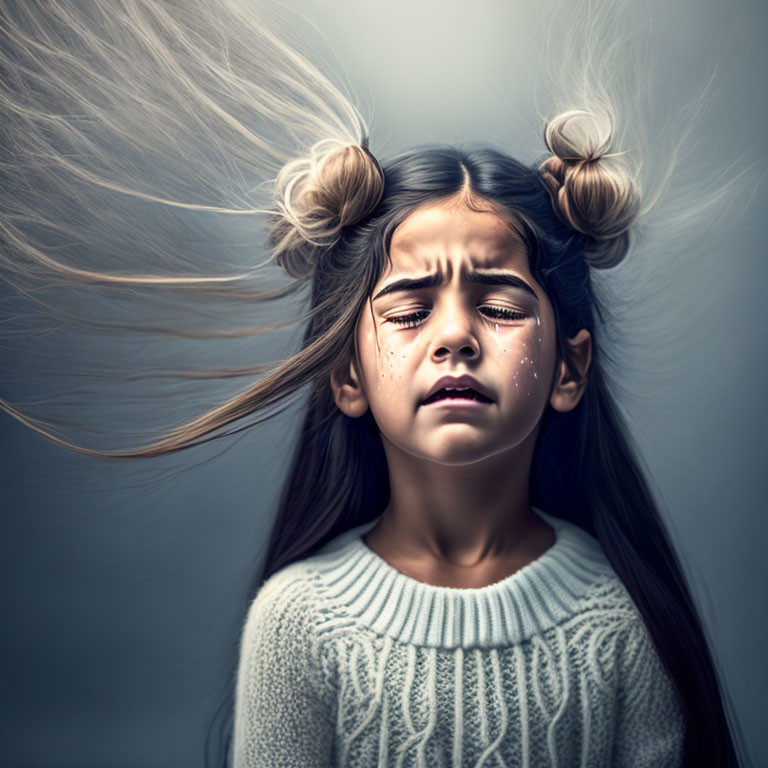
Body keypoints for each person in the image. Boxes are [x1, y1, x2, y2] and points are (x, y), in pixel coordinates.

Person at [0, 1, 746, 767]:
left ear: (570, 368)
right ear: (346, 374)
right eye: (410, 311)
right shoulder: (298, 624)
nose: (455, 336)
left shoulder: (622, 621)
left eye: (495, 305)